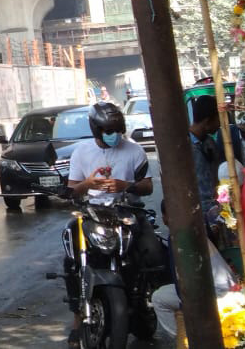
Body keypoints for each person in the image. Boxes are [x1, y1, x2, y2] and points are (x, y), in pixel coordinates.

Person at [64, 102, 152, 347]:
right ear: (96, 130)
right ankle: (77, 319)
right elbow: (72, 191)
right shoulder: (81, 152)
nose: (114, 135)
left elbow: (148, 186)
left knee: (151, 253)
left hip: (126, 212)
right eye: (108, 130)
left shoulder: (135, 151)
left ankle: (146, 300)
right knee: (72, 256)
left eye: (117, 130)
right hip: (92, 214)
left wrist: (126, 186)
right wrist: (88, 184)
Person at [151, 199, 238, 338]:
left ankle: (185, 340)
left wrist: (187, 306)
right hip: (228, 286)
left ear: (165, 218)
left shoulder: (177, 236)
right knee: (162, 294)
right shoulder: (200, 226)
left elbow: (182, 286)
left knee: (158, 298)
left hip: (215, 293)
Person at [189, 94, 225, 222]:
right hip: (197, 216)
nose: (220, 123)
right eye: (218, 119)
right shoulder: (185, 147)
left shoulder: (209, 143)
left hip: (215, 211)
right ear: (207, 121)